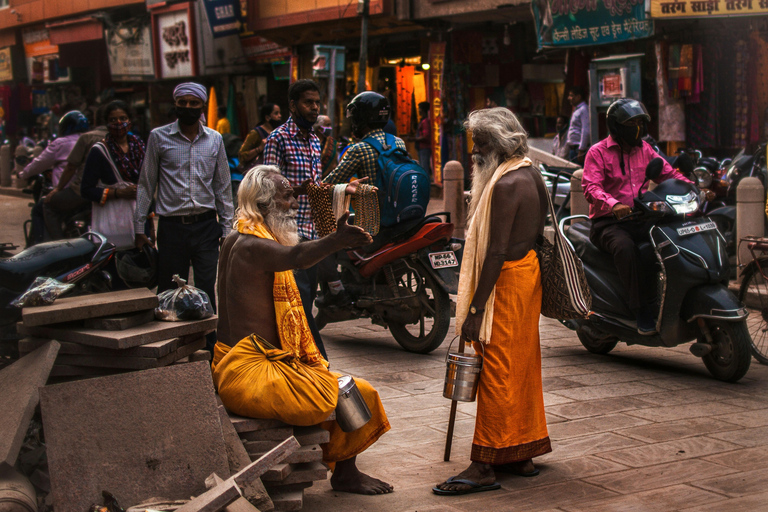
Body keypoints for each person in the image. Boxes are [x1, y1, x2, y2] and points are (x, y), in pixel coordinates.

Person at [213, 165, 392, 495]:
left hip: (245, 363)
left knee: (347, 388)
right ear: (264, 204)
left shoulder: (233, 236)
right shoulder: (253, 245)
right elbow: (296, 255)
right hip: (248, 372)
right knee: (346, 392)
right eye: (286, 198)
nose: (293, 204)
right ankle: (346, 474)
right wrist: (335, 241)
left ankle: (345, 472)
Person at [434, 107, 551, 496]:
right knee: (520, 365)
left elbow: (496, 252)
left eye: (480, 144)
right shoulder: (531, 172)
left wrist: (475, 309)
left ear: (499, 144)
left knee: (498, 368)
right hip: (526, 275)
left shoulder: (504, 185)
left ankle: (484, 464)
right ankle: (521, 452)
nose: (474, 153)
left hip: (507, 281)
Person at [134, 82, 234, 350]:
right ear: (175, 105)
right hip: (172, 228)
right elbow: (146, 184)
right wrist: (139, 226)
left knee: (205, 288)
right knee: (168, 290)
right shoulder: (158, 137)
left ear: (202, 107)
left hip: (205, 227)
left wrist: (227, 230)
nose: (188, 107)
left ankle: (211, 349)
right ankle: (169, 347)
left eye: (193, 103)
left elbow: (223, 187)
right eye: (183, 103)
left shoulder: (215, 139)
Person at [581, 99, 689, 335]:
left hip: (641, 218)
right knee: (625, 248)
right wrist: (613, 204)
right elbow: (591, 187)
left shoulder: (646, 150)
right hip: (608, 223)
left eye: (641, 122)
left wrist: (695, 188)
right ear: (617, 126)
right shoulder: (598, 152)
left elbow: (668, 174)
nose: (638, 127)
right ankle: (640, 309)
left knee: (668, 241)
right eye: (632, 123)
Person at [263, 79, 329, 357]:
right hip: (287, 233)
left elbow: (317, 183)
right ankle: (317, 357)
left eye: (316, 102)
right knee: (298, 300)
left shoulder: (315, 140)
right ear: (293, 105)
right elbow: (267, 188)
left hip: (312, 231)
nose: (314, 108)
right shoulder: (277, 138)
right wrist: (304, 190)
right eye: (307, 102)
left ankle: (299, 354)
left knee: (306, 299)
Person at [80, 100, 152, 288]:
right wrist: (118, 193)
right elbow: (86, 190)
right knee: (116, 276)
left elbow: (147, 184)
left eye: (123, 118)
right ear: (106, 123)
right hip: (113, 228)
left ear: (130, 120)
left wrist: (149, 221)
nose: (119, 123)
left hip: (139, 222)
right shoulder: (99, 152)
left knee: (140, 272)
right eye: (113, 120)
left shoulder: (139, 146)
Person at [20, 111, 88, 245]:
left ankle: (52, 246)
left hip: (72, 192)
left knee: (43, 207)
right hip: (92, 191)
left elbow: (39, 163)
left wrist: (22, 174)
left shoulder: (61, 143)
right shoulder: (90, 139)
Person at [42, 107, 108, 240]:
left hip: (83, 192)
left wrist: (58, 189)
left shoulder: (87, 138)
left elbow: (71, 167)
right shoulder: (127, 139)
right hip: (112, 190)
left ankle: (58, 244)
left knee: (48, 204)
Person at [239, 103, 281, 168]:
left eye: (279, 113)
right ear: (267, 118)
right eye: (276, 113)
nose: (279, 116)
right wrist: (260, 148)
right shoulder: (256, 133)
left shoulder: (278, 132)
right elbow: (242, 155)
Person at [566, 86, 590, 164]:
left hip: (578, 150)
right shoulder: (577, 109)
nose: (569, 98)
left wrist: (581, 149)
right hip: (573, 149)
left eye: (571, 95)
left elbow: (585, 130)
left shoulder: (583, 109)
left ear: (578, 97)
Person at [415, 101, 432, 178]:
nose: (418, 111)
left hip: (424, 148)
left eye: (420, 109)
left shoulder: (425, 122)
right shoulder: (423, 120)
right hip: (422, 148)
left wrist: (414, 139)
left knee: (424, 167)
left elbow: (426, 135)